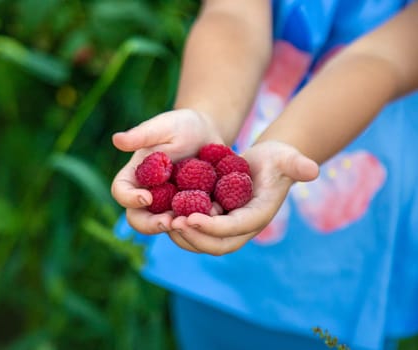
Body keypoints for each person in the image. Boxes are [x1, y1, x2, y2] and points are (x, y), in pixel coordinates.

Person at [111, 0, 418, 349]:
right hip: (212, 243)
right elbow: (233, 14)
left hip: (343, 249)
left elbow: (384, 60)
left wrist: (286, 145)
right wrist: (205, 116)